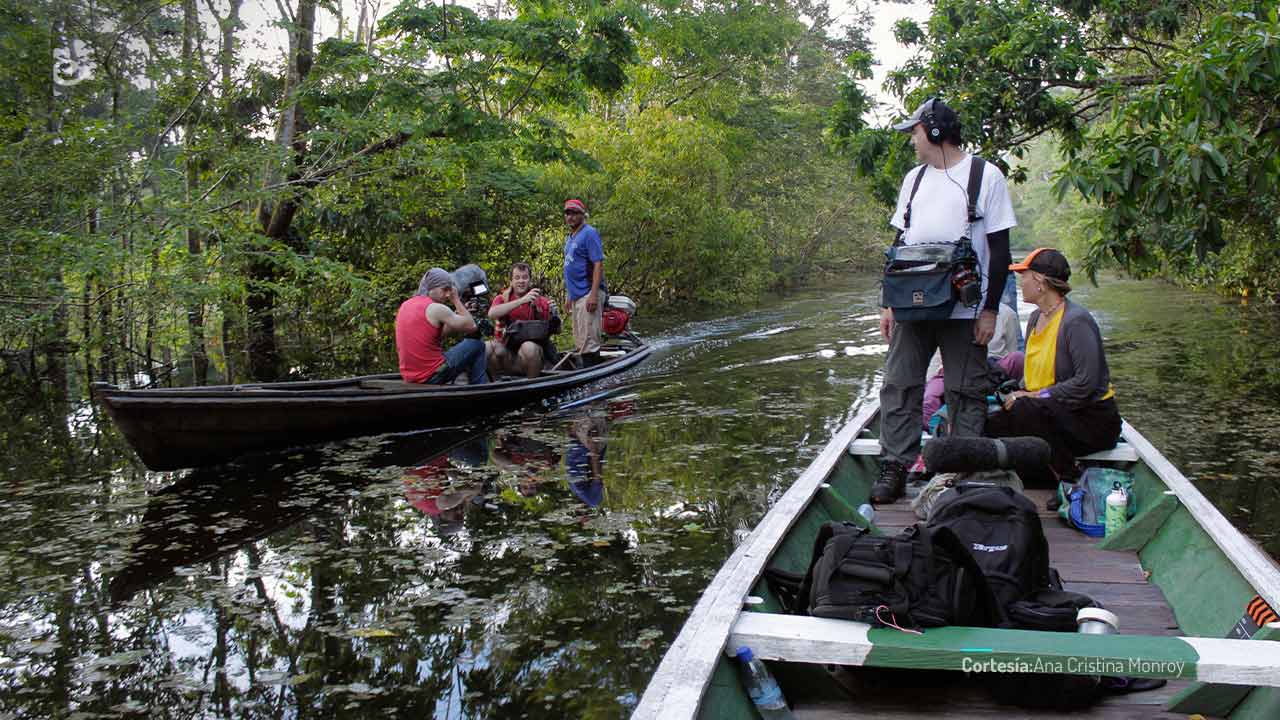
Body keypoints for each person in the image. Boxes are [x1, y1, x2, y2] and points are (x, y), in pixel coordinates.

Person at [873, 98, 1018, 504]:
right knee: (899, 385)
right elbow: (899, 243)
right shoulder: (914, 180)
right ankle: (894, 466)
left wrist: (990, 310)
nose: (912, 141)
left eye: (915, 132)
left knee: (965, 390)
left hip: (964, 310)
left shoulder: (985, 176)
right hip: (912, 305)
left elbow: (1001, 252)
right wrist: (888, 303)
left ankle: (961, 472)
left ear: (935, 132)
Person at [985, 248, 1121, 503]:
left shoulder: (1076, 321)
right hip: (1051, 412)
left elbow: (1086, 383)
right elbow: (1033, 376)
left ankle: (1070, 478)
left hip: (1091, 419)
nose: (1021, 283)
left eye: (1024, 276)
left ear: (1040, 281)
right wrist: (1018, 391)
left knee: (1025, 409)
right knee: (988, 425)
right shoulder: (1036, 317)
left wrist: (1034, 396)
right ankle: (1037, 473)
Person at [395, 268, 490, 385]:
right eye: (444, 290)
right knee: (477, 345)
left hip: (411, 376)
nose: (448, 294)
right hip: (432, 374)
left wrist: (458, 313)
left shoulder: (406, 304)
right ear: (432, 288)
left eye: (449, 290)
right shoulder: (436, 308)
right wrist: (456, 300)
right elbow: (471, 326)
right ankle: (480, 388)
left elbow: (438, 334)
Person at [487, 262, 560, 378]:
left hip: (532, 357)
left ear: (530, 280)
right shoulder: (502, 298)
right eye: (517, 278)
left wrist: (555, 314)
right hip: (508, 355)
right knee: (487, 347)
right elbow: (491, 313)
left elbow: (557, 330)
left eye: (525, 277)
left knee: (529, 347)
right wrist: (522, 300)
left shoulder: (540, 301)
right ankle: (497, 383)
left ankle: (532, 384)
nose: (521, 281)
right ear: (511, 281)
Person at [562, 198, 606, 367]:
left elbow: (598, 264)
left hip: (588, 292)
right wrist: (569, 295)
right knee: (580, 340)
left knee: (589, 340)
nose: (570, 216)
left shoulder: (589, 233)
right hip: (576, 295)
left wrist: (593, 294)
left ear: (582, 214)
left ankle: (594, 372)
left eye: (574, 213)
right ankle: (587, 367)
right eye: (567, 213)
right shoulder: (571, 237)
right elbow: (572, 267)